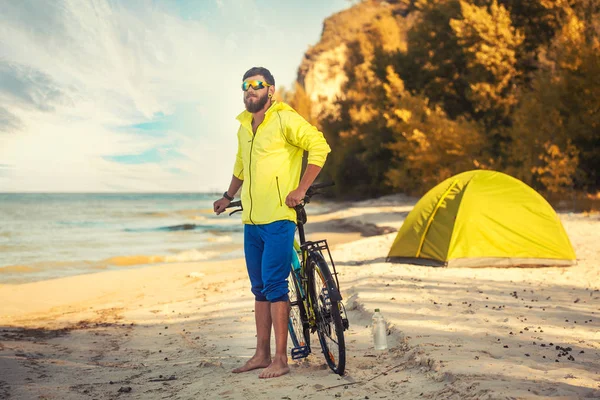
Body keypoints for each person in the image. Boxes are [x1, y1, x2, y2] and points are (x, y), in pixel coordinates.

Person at [213, 67, 330, 379]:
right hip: (251, 220)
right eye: (246, 85)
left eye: (257, 85)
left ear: (271, 90)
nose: (250, 90)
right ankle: (261, 354)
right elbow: (241, 165)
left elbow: (319, 147)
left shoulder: (284, 117)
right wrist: (227, 196)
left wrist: (301, 189)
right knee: (259, 289)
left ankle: (281, 359)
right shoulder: (243, 126)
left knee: (275, 286)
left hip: (278, 216)